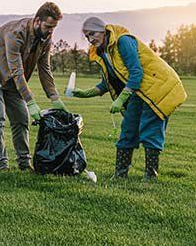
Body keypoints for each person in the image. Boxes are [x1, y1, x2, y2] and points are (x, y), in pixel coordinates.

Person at [71, 17, 187, 180]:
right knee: (128, 130)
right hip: (138, 91)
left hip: (157, 88)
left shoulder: (123, 41)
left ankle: (150, 175)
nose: (91, 39)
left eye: (93, 34)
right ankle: (120, 174)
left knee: (150, 130)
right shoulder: (104, 52)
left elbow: (136, 73)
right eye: (87, 36)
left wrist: (120, 99)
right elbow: (109, 81)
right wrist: (86, 93)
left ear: (103, 30)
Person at [0, 2, 68, 172]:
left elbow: (44, 70)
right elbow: (17, 71)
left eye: (53, 28)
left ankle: (24, 163)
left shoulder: (45, 40)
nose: (50, 31)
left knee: (21, 118)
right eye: (48, 26)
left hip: (12, 77)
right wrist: (31, 101)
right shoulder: (15, 33)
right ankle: (1, 165)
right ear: (37, 21)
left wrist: (55, 97)